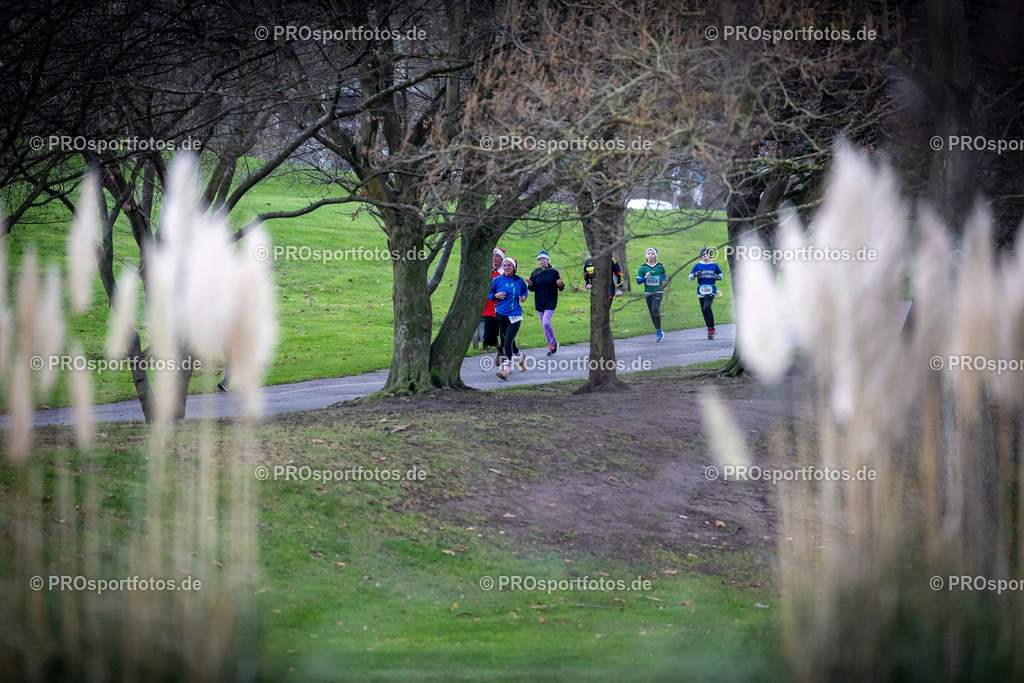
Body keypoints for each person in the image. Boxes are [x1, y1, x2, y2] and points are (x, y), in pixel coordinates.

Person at [488, 256, 529, 380]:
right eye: (504, 265)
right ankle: (520, 355)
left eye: (509, 265)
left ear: (514, 267)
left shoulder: (519, 280)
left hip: (515, 314)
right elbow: (489, 295)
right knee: (508, 339)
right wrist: (495, 296)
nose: (506, 267)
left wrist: (524, 297)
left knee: (507, 340)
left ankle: (505, 369)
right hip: (501, 314)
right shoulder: (497, 280)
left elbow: (525, 291)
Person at [525, 251, 564, 355]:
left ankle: (553, 342)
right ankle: (551, 346)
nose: (541, 260)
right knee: (544, 325)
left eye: (542, 258)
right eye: (539, 259)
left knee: (546, 322)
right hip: (539, 301)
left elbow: (561, 287)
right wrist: (530, 283)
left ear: (548, 259)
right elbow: (532, 288)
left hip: (550, 301)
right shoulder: (535, 272)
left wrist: (560, 284)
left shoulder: (553, 272)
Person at [689, 247, 724, 339]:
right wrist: (695, 274)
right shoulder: (697, 266)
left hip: (711, 289)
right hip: (701, 290)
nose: (705, 256)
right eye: (703, 254)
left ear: (710, 256)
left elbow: (721, 275)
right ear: (701, 256)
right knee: (704, 310)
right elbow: (690, 278)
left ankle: (712, 328)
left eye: (707, 254)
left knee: (707, 307)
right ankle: (709, 327)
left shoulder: (714, 265)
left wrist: (718, 277)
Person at [636, 247, 667, 342]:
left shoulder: (660, 266)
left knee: (655, 309)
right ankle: (659, 330)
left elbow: (664, 274)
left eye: (652, 254)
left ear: (655, 256)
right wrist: (645, 277)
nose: (650, 255)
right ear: (646, 256)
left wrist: (664, 281)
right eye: (648, 253)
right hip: (648, 292)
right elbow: (638, 281)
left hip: (658, 291)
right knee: (652, 312)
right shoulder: (642, 267)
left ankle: (659, 333)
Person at [481, 247, 505, 353]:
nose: (494, 258)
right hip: (489, 309)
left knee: (505, 336)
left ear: (502, 258)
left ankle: (506, 357)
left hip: (503, 309)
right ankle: (500, 349)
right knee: (488, 338)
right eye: (493, 256)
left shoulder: (505, 272)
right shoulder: (487, 272)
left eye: (497, 256)